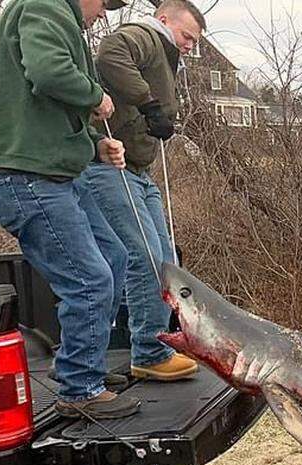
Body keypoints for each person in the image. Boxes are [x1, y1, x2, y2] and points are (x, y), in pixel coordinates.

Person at [0, 0, 141, 419]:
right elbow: (48, 74)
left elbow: (47, 113)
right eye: (105, 4)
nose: (104, 14)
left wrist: (95, 147)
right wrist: (95, 95)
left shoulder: (57, 18)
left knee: (115, 258)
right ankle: (80, 388)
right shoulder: (46, 5)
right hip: (22, 176)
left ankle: (88, 368)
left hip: (52, 172)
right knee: (89, 278)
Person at [79, 0, 205, 381]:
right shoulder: (145, 36)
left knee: (166, 259)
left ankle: (158, 346)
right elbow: (111, 55)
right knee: (146, 257)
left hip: (139, 171)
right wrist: (149, 104)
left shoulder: (164, 50)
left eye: (194, 41)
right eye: (186, 36)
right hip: (109, 167)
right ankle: (149, 353)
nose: (189, 45)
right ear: (164, 20)